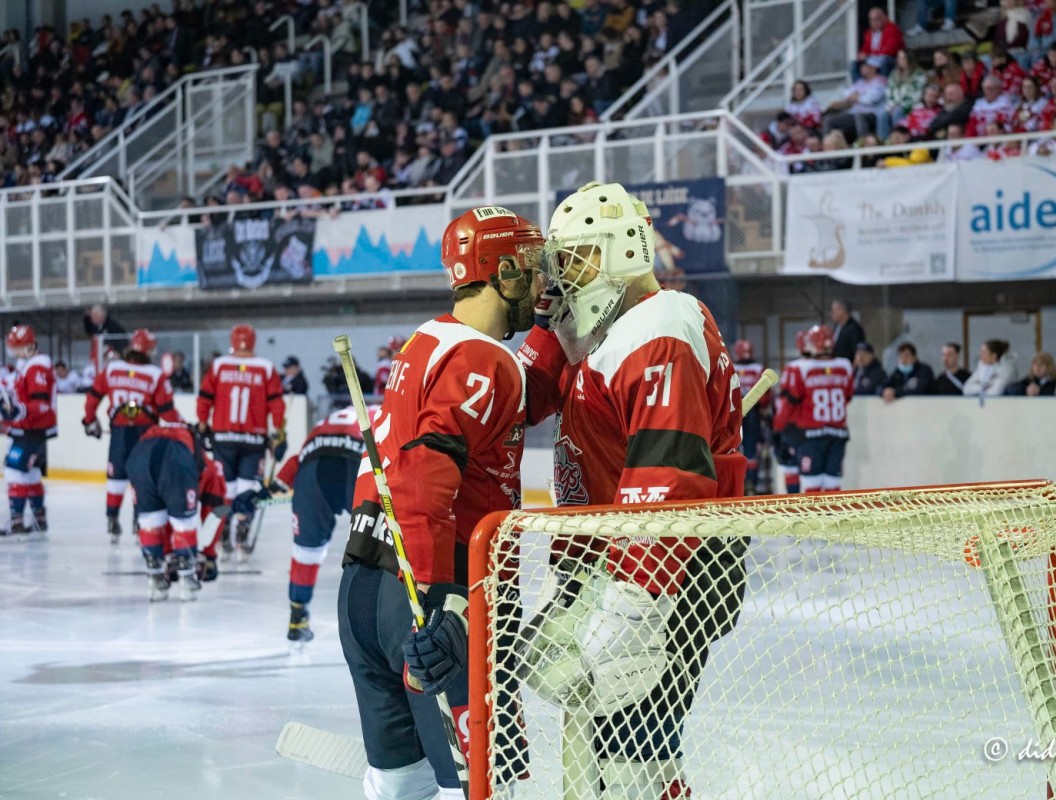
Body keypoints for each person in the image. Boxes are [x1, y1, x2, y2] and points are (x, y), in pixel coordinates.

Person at [519, 181, 746, 799]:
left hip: (670, 571)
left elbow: (665, 478)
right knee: (613, 753)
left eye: (573, 258)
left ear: (619, 250)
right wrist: (547, 325)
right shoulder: (606, 330)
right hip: (616, 559)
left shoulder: (659, 329)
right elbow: (524, 401)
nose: (561, 276)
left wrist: (632, 602)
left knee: (629, 761)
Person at [339, 206, 544, 800]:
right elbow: (427, 474)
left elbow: (523, 398)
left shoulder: (425, 343)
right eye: (529, 268)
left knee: (399, 785)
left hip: (361, 587)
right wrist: (439, 605)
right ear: (500, 271)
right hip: (433, 596)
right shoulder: (485, 358)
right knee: (486, 787)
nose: (540, 283)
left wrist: (555, 333)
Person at [126, 420, 249, 601]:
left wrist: (168, 553)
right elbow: (216, 511)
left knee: (150, 521)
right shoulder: (209, 464)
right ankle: (187, 578)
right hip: (174, 457)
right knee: (184, 521)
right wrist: (208, 554)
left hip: (139, 456)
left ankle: (155, 578)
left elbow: (166, 510)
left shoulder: (164, 432)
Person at [196, 324, 287, 560]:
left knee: (225, 488)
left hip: (223, 437)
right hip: (253, 440)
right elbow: (277, 404)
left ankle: (224, 529)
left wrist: (202, 422)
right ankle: (243, 531)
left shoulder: (219, 365)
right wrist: (278, 433)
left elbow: (205, 398)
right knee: (247, 489)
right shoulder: (266, 368)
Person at [82, 329, 181, 544]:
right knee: (142, 479)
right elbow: (167, 412)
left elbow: (93, 397)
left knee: (115, 478)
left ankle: (112, 517)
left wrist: (89, 419)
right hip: (145, 434)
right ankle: (140, 521)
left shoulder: (112, 370)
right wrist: (182, 427)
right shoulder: (156, 375)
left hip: (119, 432)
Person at [276, 405, 364, 644]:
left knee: (306, 552)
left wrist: (274, 486)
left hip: (313, 468)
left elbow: (297, 461)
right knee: (379, 544)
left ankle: (298, 618)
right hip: (358, 462)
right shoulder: (380, 412)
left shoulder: (324, 422)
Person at [775, 325, 855, 494]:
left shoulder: (799, 368)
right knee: (833, 486)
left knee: (812, 487)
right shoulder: (845, 365)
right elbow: (848, 397)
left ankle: (809, 519)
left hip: (810, 435)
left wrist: (777, 429)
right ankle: (833, 520)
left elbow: (789, 402)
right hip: (838, 434)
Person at [1, 325, 57, 537]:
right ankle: (39, 517)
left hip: (33, 427)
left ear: (28, 346)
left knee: (14, 470)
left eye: (17, 347)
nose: (14, 352)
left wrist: (17, 410)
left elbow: (39, 403)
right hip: (30, 426)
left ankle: (15, 521)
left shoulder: (37, 366)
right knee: (30, 472)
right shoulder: (28, 364)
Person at [733, 339, 773, 495]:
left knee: (734, 449)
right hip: (753, 414)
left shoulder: (731, 366)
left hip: (735, 413)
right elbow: (765, 397)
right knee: (752, 450)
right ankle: (751, 484)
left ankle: (739, 484)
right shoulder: (758, 369)